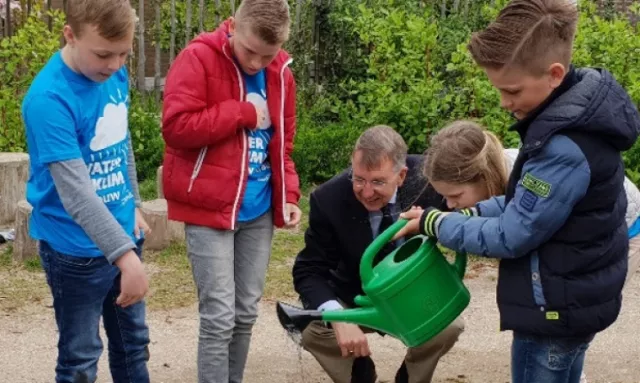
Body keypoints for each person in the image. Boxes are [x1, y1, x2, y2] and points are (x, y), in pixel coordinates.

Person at [395, 1, 640, 382]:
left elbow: (513, 235)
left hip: (552, 313)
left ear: (554, 74)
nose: (505, 103)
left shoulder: (563, 146)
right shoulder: (568, 117)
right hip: (570, 304)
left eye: (512, 90)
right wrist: (467, 215)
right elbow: (522, 205)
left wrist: (436, 223)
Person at [160, 0, 302, 382]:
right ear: (233, 27)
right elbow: (176, 127)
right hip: (210, 207)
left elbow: (281, 144)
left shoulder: (281, 72)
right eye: (249, 51)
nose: (257, 63)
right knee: (219, 315)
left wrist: (288, 194)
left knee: (244, 313)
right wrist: (240, 112)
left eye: (266, 55)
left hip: (257, 209)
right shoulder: (198, 58)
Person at [21, 1, 151, 382]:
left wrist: (135, 203)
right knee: (80, 357)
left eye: (124, 53)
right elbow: (76, 194)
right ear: (70, 35)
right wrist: (126, 258)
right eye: (103, 54)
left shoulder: (113, 74)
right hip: (74, 250)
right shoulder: (48, 100)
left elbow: (119, 139)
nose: (114, 64)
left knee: (133, 344)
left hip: (123, 233)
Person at [292, 125, 464, 383]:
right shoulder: (327, 199)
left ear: (402, 175)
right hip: (355, 297)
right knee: (311, 329)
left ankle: (411, 376)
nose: (367, 191)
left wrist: (436, 221)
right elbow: (308, 271)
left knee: (451, 325)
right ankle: (358, 371)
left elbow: (467, 214)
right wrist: (339, 318)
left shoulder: (431, 179)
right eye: (359, 179)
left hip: (413, 295)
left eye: (378, 182)